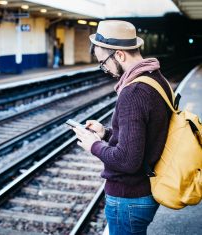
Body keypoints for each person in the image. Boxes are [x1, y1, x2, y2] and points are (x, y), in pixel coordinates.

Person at [72, 20, 173, 235]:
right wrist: (106, 133)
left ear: (119, 55)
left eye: (103, 62)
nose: (105, 69)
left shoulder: (133, 92)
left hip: (129, 197)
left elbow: (127, 160)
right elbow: (145, 136)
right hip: (143, 191)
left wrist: (94, 145)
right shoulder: (156, 78)